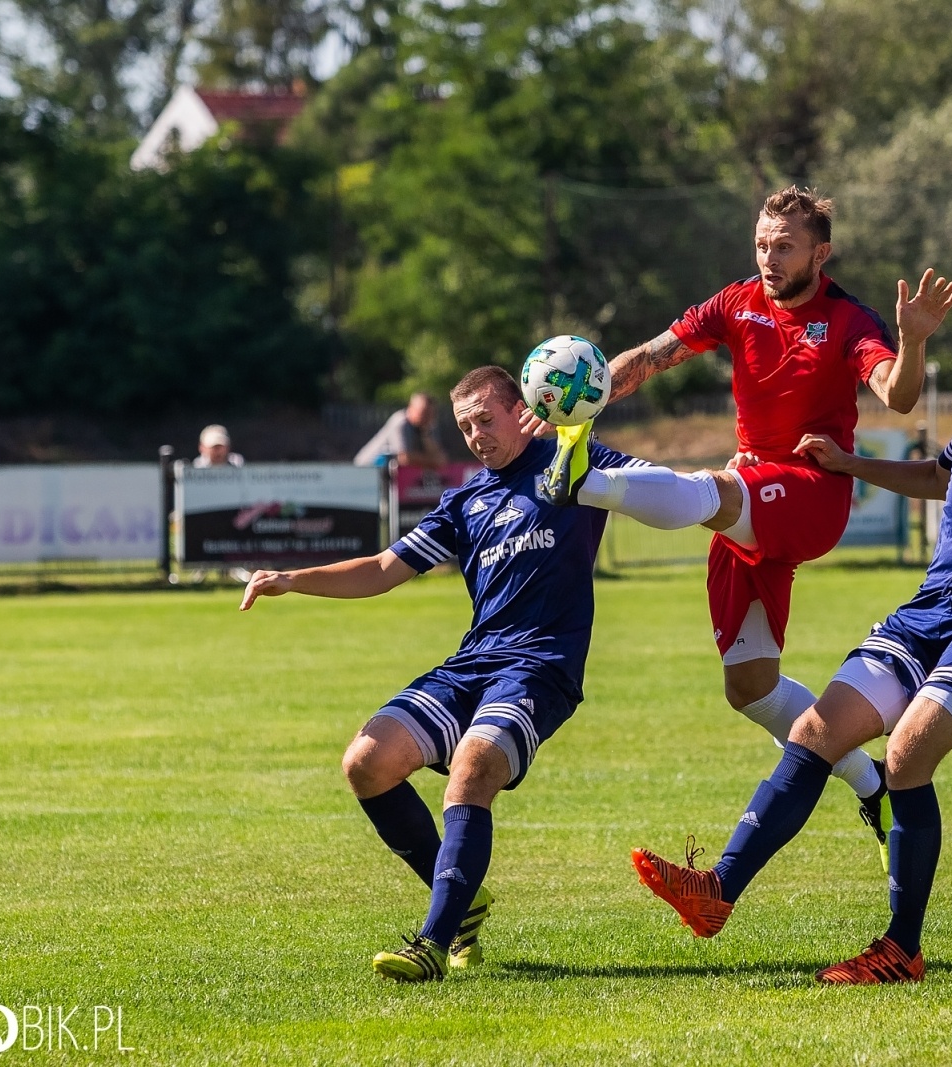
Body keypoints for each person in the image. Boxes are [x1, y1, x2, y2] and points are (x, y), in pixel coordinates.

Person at [628, 173, 952, 984]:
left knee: (906, 754)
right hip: (934, 604)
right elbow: (941, 478)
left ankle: (900, 948)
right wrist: (851, 464)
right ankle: (717, 891)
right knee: (816, 730)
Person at [529, 186, 952, 867]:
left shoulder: (849, 319)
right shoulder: (735, 302)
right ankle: (874, 787)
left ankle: (585, 484)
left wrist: (912, 340)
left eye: (784, 246)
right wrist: (582, 398)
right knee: (751, 688)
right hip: (752, 502)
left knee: (714, 491)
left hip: (811, 491)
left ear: (821, 252)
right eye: (761, 243)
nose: (768, 257)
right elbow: (652, 356)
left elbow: (898, 397)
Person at [240, 365, 647, 982]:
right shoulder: (465, 501)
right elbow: (383, 569)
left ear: (522, 409)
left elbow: (663, 489)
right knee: (366, 763)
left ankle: (433, 941)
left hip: (540, 666)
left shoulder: (576, 465)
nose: (476, 435)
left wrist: (732, 487)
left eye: (486, 419)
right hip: (474, 662)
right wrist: (292, 580)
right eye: (464, 427)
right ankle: (463, 897)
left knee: (471, 769)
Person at [355, 392, 448, 469]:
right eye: (424, 413)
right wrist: (432, 461)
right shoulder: (401, 423)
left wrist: (426, 436)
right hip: (367, 469)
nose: (427, 418)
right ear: (411, 408)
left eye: (430, 414)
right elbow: (404, 458)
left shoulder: (427, 427)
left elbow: (440, 459)